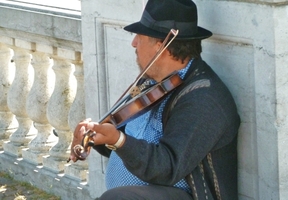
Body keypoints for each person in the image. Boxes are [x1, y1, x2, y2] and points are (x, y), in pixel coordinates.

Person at [69, 0, 240, 199]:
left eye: (140, 37)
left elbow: (166, 168)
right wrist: (96, 137)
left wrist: (119, 140)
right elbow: (134, 148)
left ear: (161, 46)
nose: (133, 43)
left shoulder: (204, 98)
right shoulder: (155, 83)